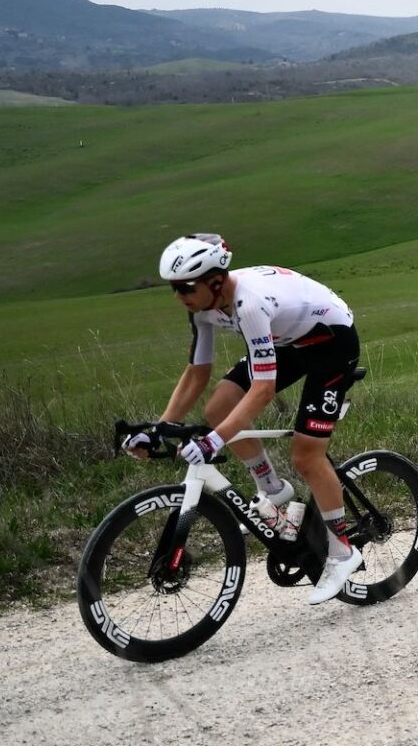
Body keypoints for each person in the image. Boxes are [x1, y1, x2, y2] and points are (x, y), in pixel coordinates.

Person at [140, 234, 365, 605]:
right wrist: (159, 428)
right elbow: (196, 373)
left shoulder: (249, 304)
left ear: (216, 282)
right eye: (173, 288)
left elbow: (263, 390)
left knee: (306, 456)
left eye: (185, 287)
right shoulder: (202, 308)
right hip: (289, 341)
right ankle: (272, 489)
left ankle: (342, 552)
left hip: (331, 342)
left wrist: (214, 441)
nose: (179, 296)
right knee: (218, 408)